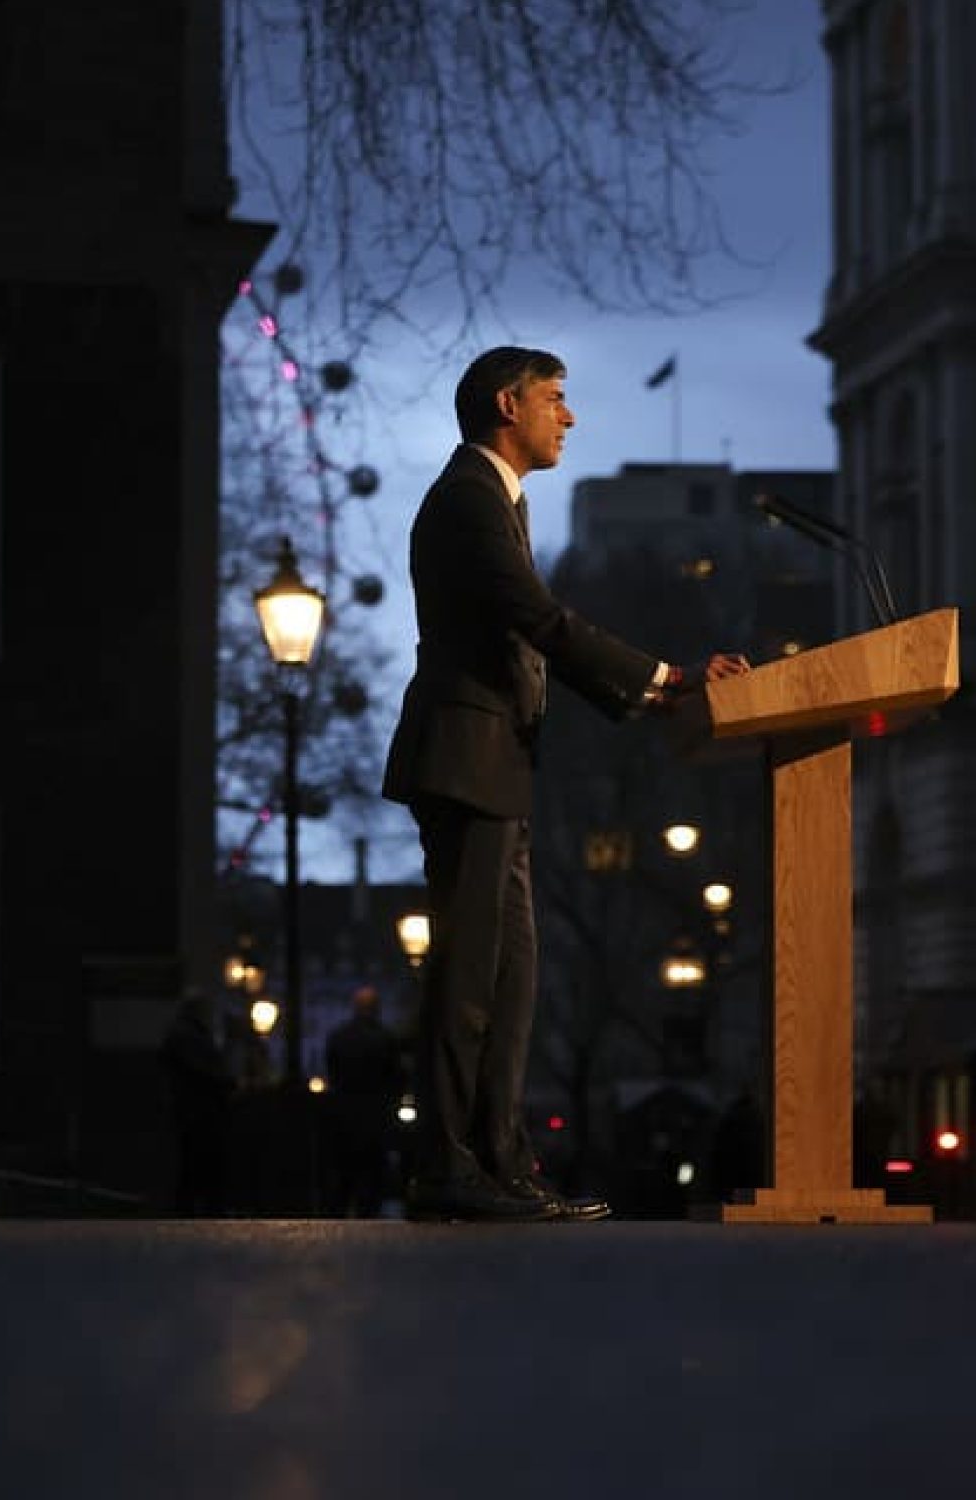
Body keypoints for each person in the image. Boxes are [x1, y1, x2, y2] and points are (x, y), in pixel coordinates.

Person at [381, 346, 749, 1223]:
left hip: (493, 766)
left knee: (511, 978)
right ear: (509, 404)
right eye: (556, 399)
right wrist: (666, 679)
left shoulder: (494, 501)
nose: (569, 416)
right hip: (468, 763)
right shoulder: (468, 498)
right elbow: (539, 620)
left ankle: (499, 1162)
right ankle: (450, 1166)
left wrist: (661, 686)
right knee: (473, 977)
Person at [322, 983, 406, 1217]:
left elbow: (333, 1072)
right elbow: (396, 1078)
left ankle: (337, 1216)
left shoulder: (339, 1037)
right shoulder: (386, 1039)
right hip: (375, 1116)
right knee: (372, 1177)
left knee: (343, 1175)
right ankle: (368, 1218)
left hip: (344, 1116)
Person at [161, 987, 234, 1215]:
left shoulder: (186, 1034)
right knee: (202, 1161)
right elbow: (208, 1071)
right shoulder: (188, 1036)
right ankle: (203, 1208)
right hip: (199, 1112)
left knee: (195, 1163)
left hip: (194, 1110)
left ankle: (192, 1208)